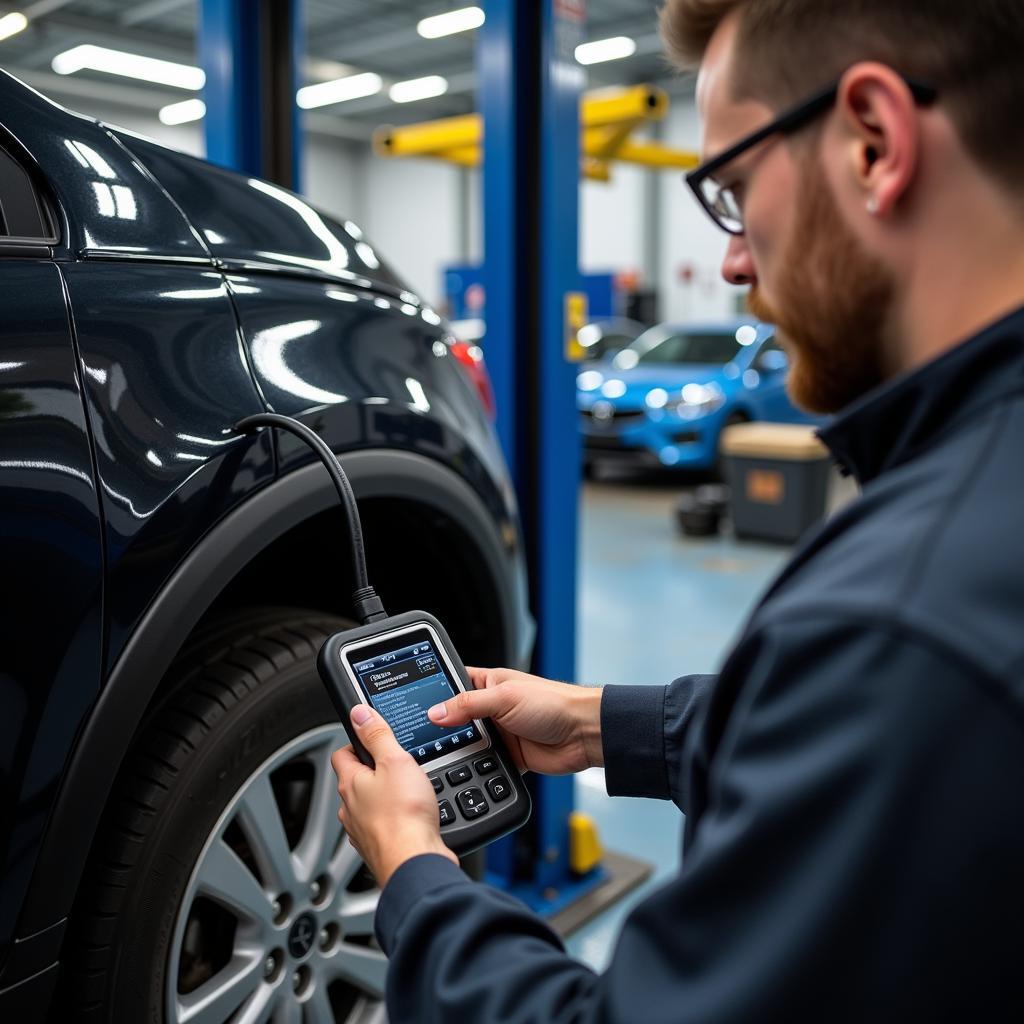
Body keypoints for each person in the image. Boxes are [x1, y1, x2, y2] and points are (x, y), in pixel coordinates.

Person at [331, 1, 1024, 1019]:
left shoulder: (899, 621)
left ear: (872, 141)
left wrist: (415, 875)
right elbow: (871, 752)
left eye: (734, 191)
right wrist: (601, 725)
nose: (735, 263)